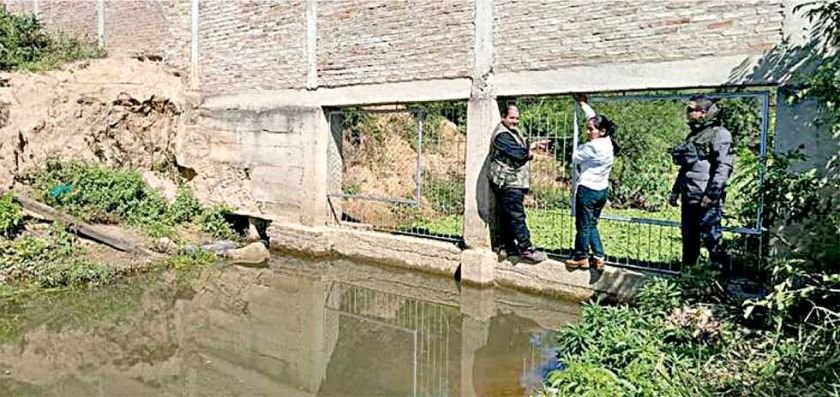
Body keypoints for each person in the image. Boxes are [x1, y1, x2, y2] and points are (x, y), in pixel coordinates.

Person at [669, 94, 734, 269]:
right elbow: (686, 167)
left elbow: (724, 167)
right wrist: (675, 190)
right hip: (689, 196)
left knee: (712, 240)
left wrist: (712, 195)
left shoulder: (720, 135)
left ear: (703, 112)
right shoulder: (693, 135)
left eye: (691, 109)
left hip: (706, 200)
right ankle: (689, 278)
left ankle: (719, 280)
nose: (687, 112)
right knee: (689, 240)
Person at [489, 103, 548, 263]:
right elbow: (518, 153)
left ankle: (507, 247)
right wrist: (531, 154)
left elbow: (519, 146)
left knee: (508, 215)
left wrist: (533, 145)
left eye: (517, 118)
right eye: (512, 118)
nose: (515, 121)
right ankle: (526, 248)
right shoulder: (501, 135)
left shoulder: (511, 131)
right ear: (503, 117)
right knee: (516, 215)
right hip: (508, 181)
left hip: (512, 181)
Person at [565, 95, 617, 271]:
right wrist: (583, 104)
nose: (588, 132)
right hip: (602, 190)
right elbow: (592, 117)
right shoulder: (607, 141)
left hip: (587, 190)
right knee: (592, 223)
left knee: (582, 225)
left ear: (601, 131)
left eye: (590, 130)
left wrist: (579, 146)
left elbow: (574, 157)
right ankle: (599, 256)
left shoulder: (593, 146)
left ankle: (581, 257)